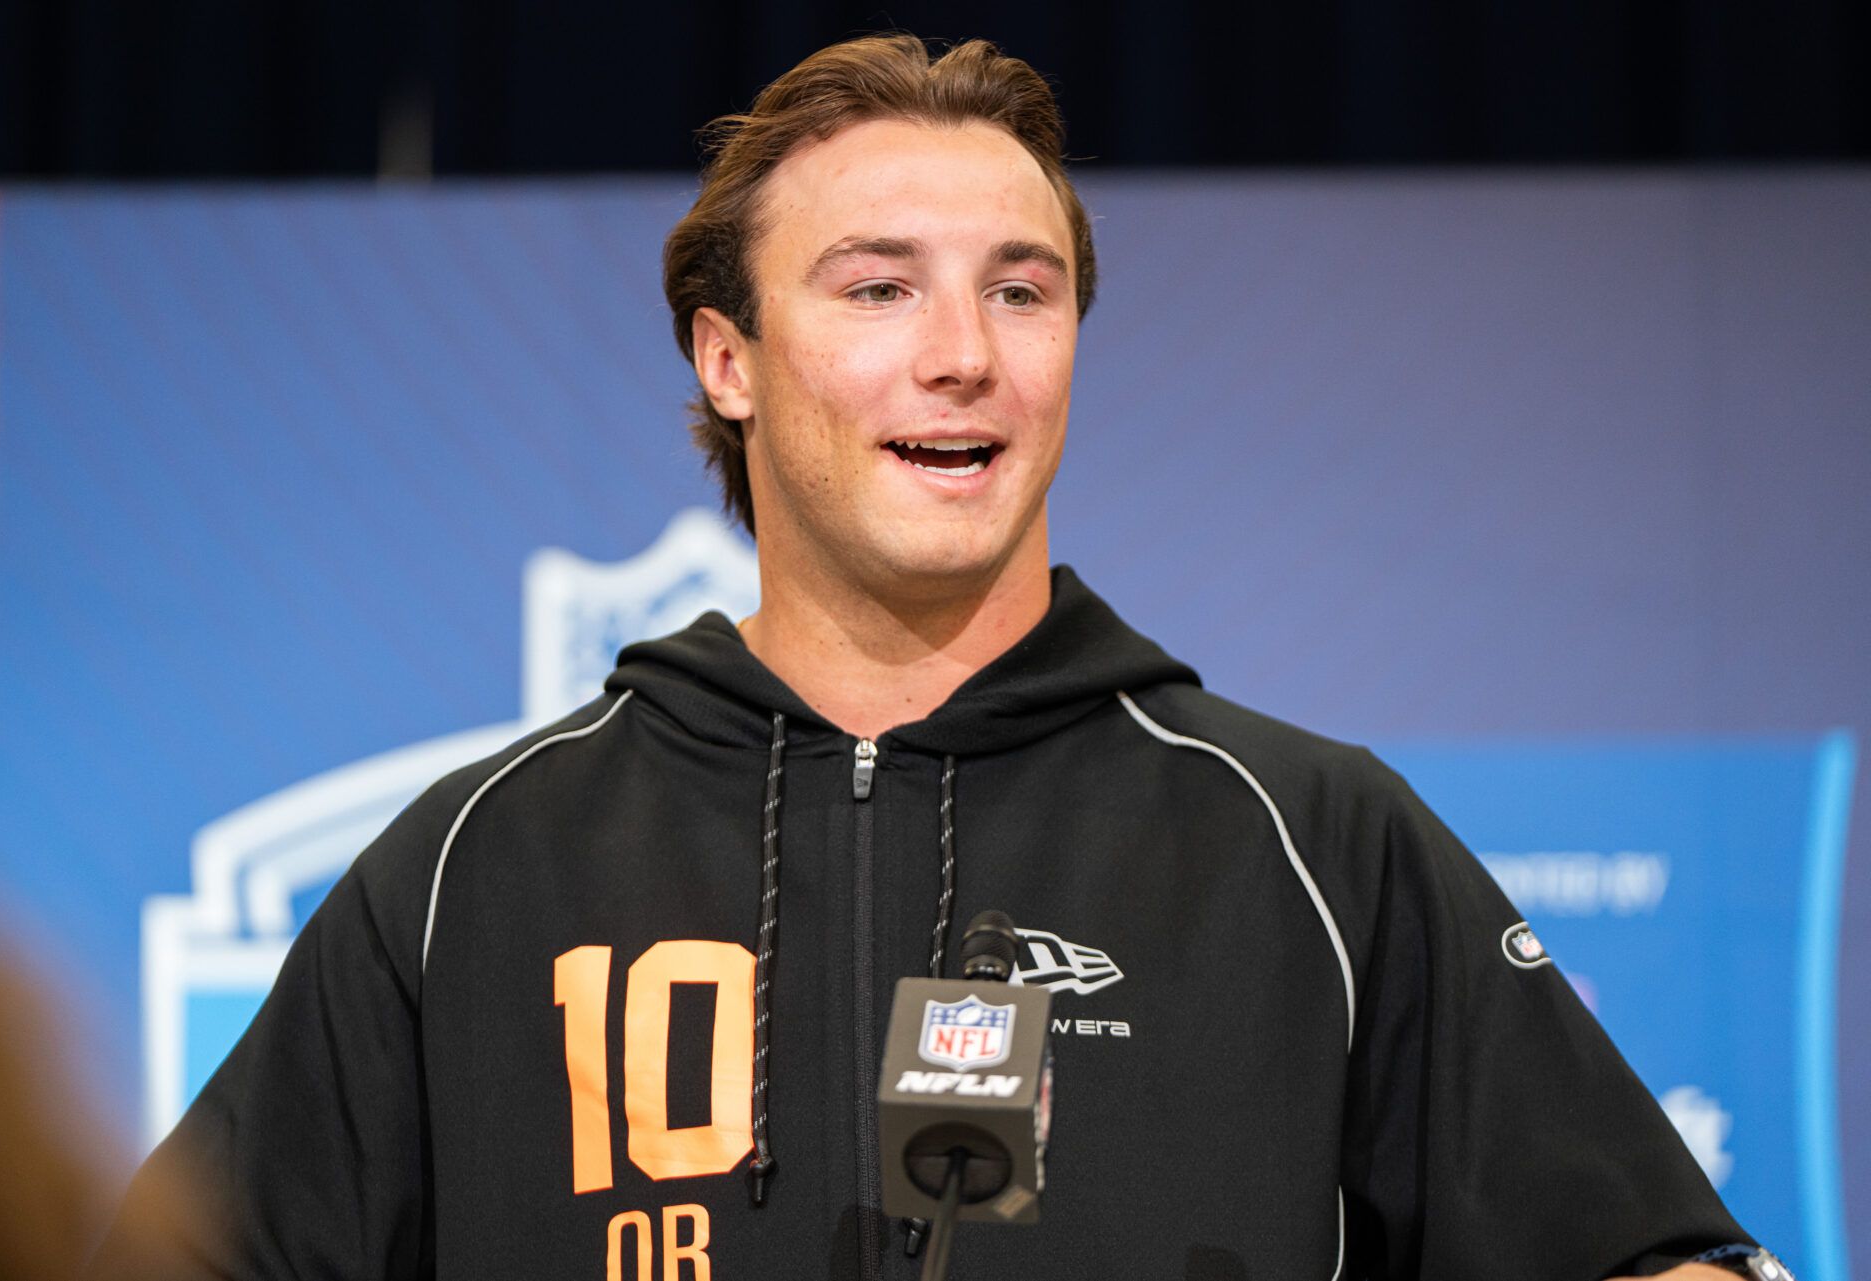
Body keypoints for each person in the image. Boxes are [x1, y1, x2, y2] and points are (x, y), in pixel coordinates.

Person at [94, 34, 1790, 1281]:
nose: (965, 355)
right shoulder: (476, 867)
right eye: (879, 288)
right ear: (730, 357)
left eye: (1023, 290)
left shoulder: (1316, 839)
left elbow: (1650, 1260)